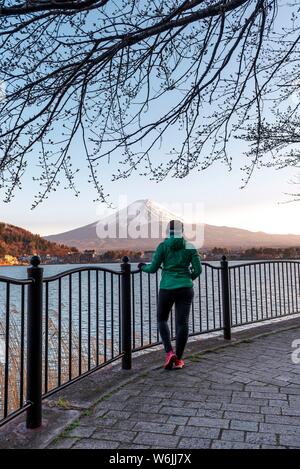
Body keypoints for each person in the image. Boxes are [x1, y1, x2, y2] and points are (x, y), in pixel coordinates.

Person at [138, 220, 202, 370]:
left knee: (162, 319)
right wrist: (188, 278)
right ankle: (178, 359)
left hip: (167, 288)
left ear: (168, 231)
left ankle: (169, 352)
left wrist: (142, 267)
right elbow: (198, 270)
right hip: (186, 288)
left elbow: (153, 268)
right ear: (182, 231)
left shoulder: (163, 246)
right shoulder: (190, 247)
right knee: (182, 323)